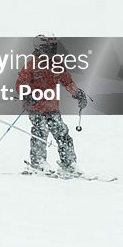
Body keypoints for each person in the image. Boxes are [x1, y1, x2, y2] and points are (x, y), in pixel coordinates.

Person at [15, 34, 87, 176]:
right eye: (49, 47)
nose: (52, 51)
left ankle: (69, 163)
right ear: (40, 48)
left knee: (62, 132)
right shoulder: (31, 64)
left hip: (52, 107)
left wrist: (77, 93)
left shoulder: (56, 63)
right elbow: (20, 84)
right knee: (40, 130)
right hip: (35, 107)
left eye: (54, 47)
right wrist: (27, 95)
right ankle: (38, 162)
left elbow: (67, 81)